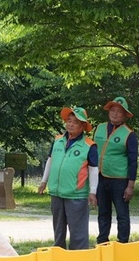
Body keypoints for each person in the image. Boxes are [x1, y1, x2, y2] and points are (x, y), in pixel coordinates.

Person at [38, 106, 98, 250]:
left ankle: (79, 257)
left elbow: (93, 170)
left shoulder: (89, 146)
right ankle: (59, 256)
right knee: (58, 231)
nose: (70, 124)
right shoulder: (57, 140)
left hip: (76, 195)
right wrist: (43, 181)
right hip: (57, 192)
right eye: (69, 121)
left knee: (78, 233)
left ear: (83, 126)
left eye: (75, 122)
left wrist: (93, 192)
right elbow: (50, 161)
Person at [94, 97, 138, 244]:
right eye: (113, 110)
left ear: (125, 115)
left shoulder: (129, 134)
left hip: (119, 180)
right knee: (103, 212)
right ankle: (102, 241)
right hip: (100, 177)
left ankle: (123, 243)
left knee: (122, 214)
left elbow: (133, 162)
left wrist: (130, 186)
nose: (115, 113)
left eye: (119, 111)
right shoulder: (99, 128)